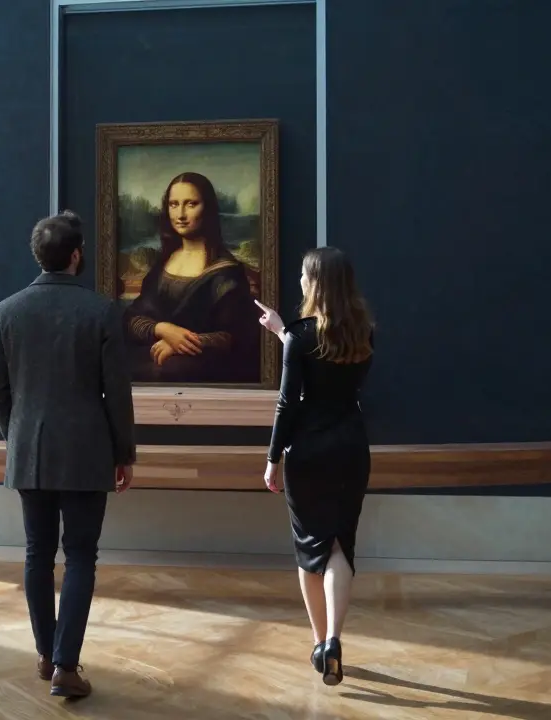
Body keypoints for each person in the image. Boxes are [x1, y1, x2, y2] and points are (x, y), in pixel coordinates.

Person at [0, 209, 137, 699]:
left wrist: (18, 436)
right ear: (76, 256)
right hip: (88, 452)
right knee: (80, 556)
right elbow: (117, 393)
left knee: (37, 554)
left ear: (39, 256)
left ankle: (47, 654)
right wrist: (124, 453)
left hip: (30, 450)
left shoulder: (7, 310)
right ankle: (66, 667)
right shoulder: (102, 311)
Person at [255, 246, 374, 686]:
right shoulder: (364, 332)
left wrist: (271, 458)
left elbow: (289, 404)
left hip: (308, 453)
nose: (300, 283)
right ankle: (337, 640)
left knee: (310, 550)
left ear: (317, 283)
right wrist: (283, 332)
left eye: (305, 277)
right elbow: (329, 364)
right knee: (340, 545)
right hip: (351, 448)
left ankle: (320, 642)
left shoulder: (301, 337)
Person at [122, 172, 260, 383]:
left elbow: (233, 337)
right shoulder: (161, 265)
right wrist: (163, 330)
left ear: (208, 209)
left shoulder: (226, 271)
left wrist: (179, 343)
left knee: (166, 370)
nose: (181, 214)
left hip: (204, 366)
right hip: (153, 354)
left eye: (191, 204)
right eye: (174, 204)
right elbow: (132, 318)